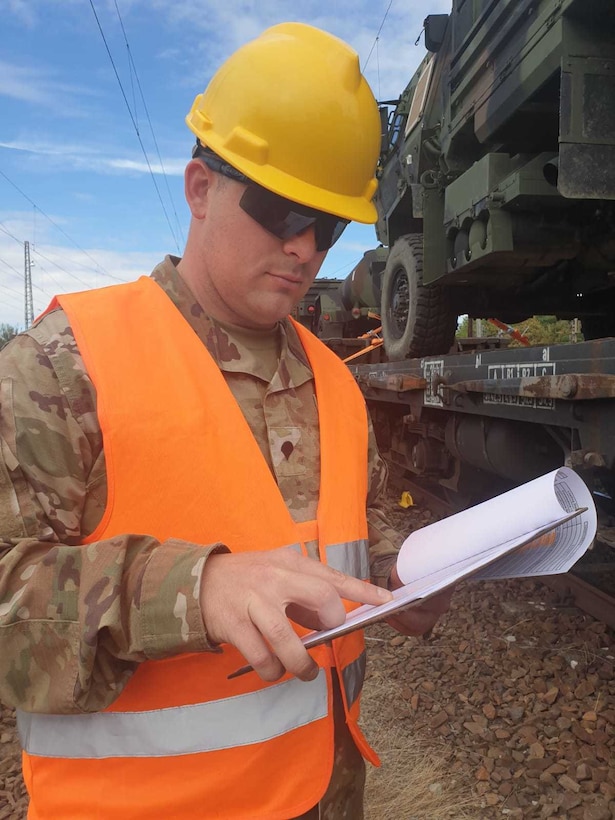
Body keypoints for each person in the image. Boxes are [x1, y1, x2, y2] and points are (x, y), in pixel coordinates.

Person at [0, 22, 451, 820]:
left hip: (325, 797)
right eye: (281, 213)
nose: (307, 249)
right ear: (200, 188)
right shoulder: (60, 367)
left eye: (330, 225)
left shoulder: (333, 380)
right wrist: (190, 587)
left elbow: (350, 534)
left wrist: (394, 580)